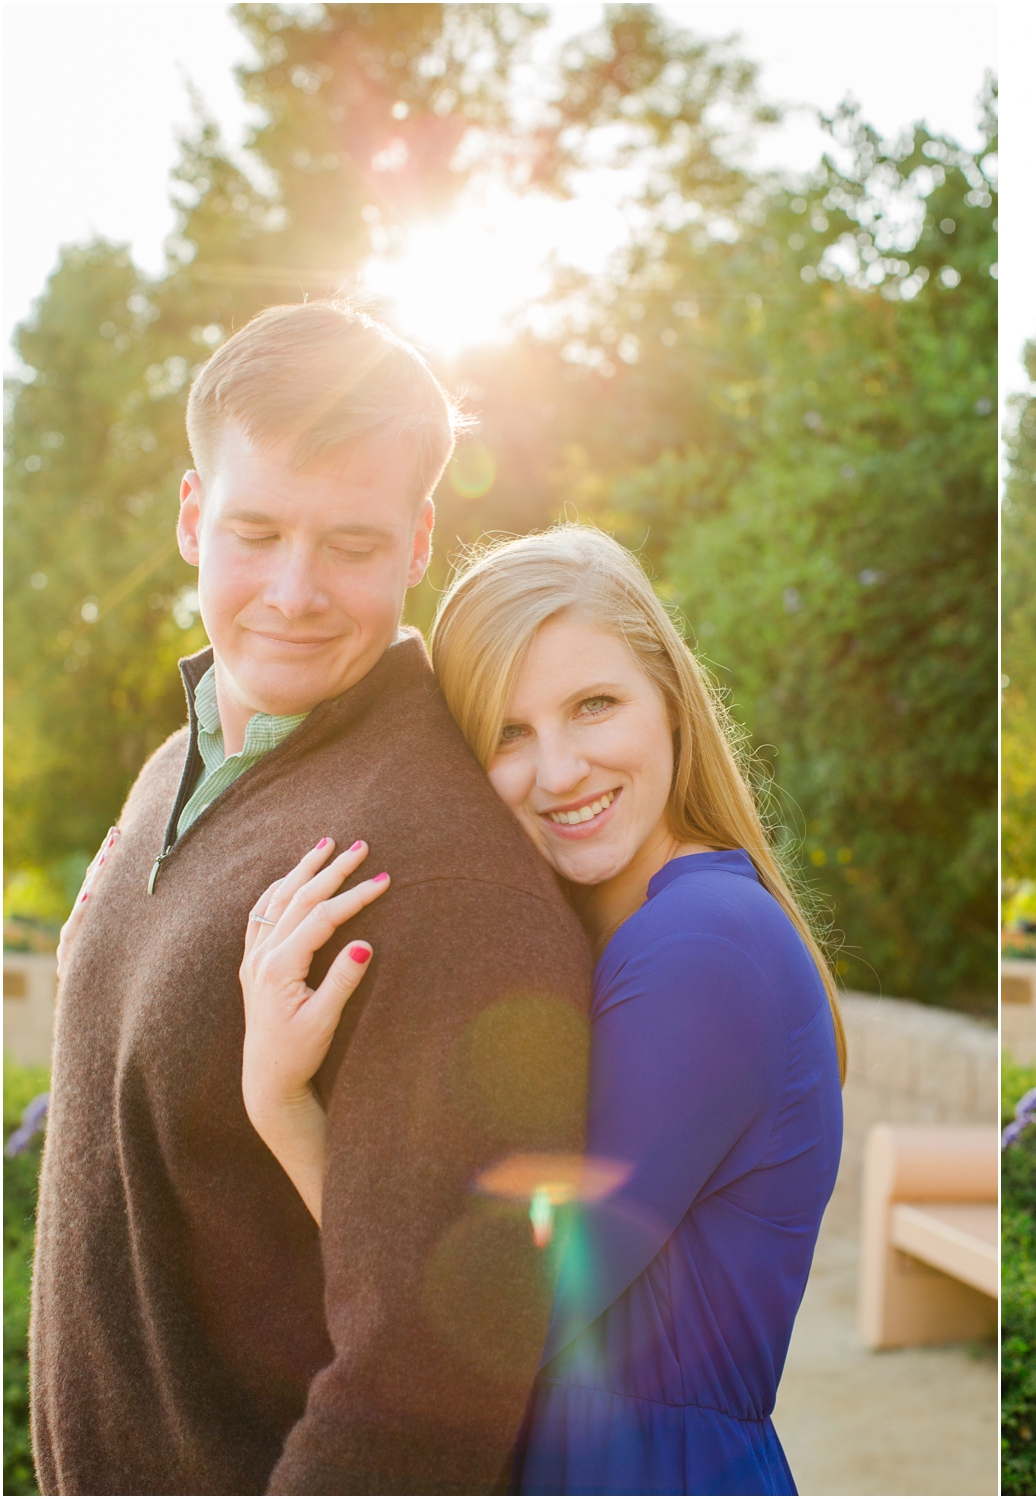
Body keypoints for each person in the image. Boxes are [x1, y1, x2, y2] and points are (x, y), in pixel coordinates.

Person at [34, 301, 596, 1494]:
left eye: (348, 542)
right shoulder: (182, 762)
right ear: (194, 517)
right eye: (255, 530)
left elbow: (426, 1388)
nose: (292, 590)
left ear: (417, 540)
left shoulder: (435, 872)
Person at [234, 524, 847, 1496]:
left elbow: (501, 1314)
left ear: (671, 706)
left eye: (593, 704)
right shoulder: (626, 939)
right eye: (507, 734)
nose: (558, 770)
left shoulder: (698, 943)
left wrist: (279, 1103)